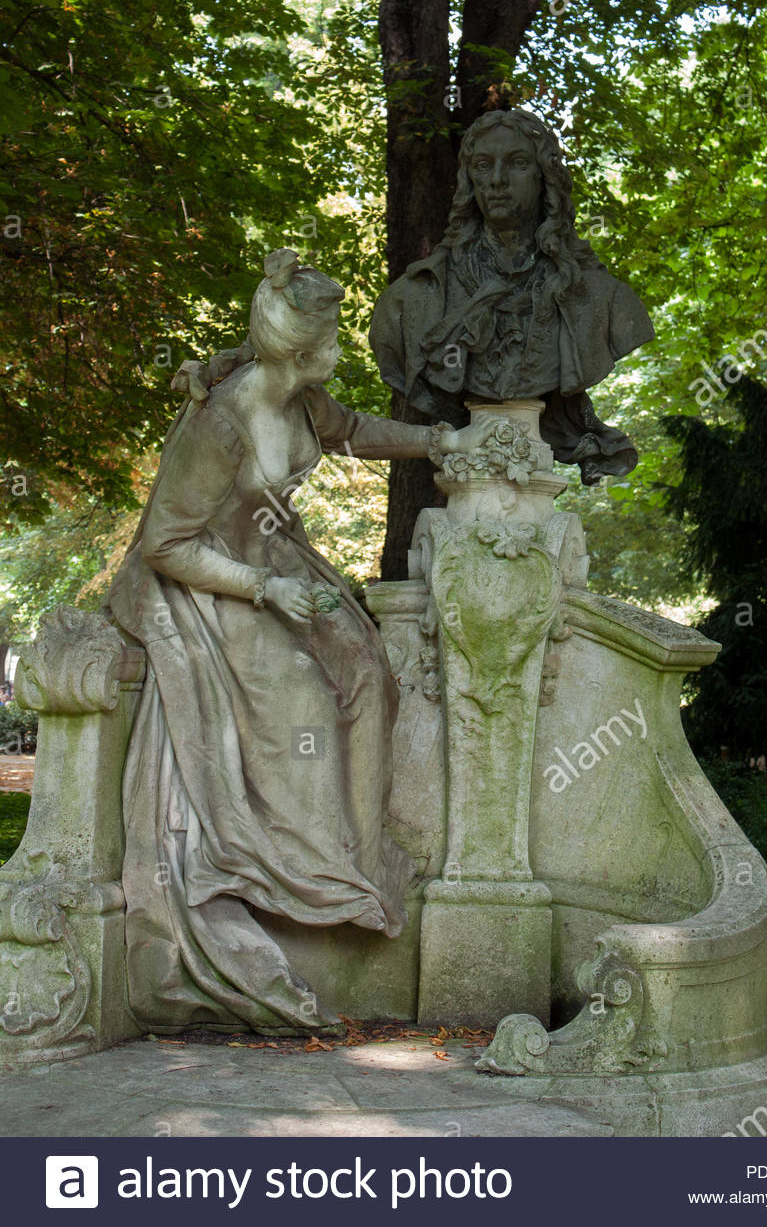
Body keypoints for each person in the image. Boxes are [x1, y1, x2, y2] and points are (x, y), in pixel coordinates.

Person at [106, 249, 488, 1034]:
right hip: (213, 585)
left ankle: (356, 865)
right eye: (335, 335)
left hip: (280, 563)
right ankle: (293, 874)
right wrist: (265, 590)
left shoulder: (305, 400)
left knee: (368, 674)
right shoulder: (221, 423)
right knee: (306, 707)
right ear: (301, 346)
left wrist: (436, 442)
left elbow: (353, 433)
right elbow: (166, 544)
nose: (344, 347)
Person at [370, 108, 655, 483]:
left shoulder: (604, 300)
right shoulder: (410, 300)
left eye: (517, 163)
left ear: (545, 178)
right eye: (484, 166)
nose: (498, 181)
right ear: (469, 179)